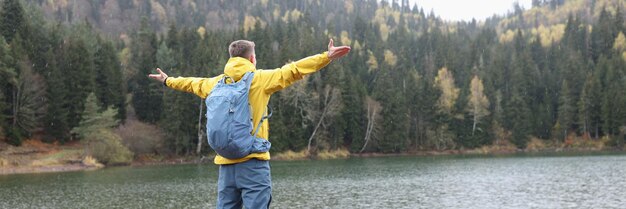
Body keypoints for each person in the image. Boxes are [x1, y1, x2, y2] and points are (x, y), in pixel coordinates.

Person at [148, 39, 350, 209]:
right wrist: (326, 56)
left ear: (230, 59)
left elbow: (191, 83)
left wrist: (167, 80)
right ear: (252, 59)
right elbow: (294, 70)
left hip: (226, 167)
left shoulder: (215, 83)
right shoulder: (259, 79)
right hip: (253, 163)